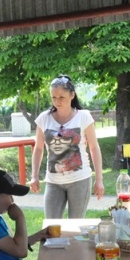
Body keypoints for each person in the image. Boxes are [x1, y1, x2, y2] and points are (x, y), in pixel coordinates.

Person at [31, 75, 104, 219]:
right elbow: (38, 149)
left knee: (74, 226)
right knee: (52, 226)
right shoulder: (44, 118)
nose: (57, 101)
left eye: (61, 97)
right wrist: (34, 176)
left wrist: (99, 180)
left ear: (72, 95)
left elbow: (94, 148)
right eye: (54, 97)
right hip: (53, 181)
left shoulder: (83, 117)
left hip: (80, 180)